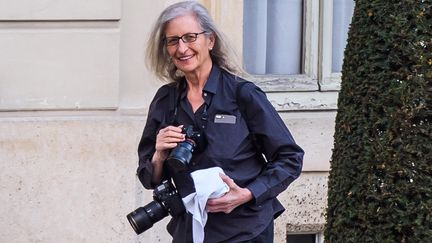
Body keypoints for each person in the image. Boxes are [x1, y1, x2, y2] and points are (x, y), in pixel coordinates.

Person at [136, 1, 304, 242]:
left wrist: (247, 194)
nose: (182, 48)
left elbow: (290, 158)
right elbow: (148, 178)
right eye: (173, 40)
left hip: (244, 231)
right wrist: (159, 154)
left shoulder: (243, 94)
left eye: (190, 37)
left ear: (210, 40)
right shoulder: (166, 100)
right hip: (190, 231)